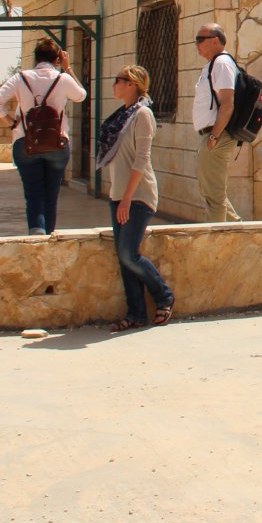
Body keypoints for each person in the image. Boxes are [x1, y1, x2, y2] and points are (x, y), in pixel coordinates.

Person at [97, 64, 173, 332]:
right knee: (123, 257)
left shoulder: (142, 115)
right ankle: (136, 313)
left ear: (132, 84)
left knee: (129, 255)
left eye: (119, 80)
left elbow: (142, 159)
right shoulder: (122, 115)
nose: (114, 84)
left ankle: (164, 296)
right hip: (119, 194)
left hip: (138, 195)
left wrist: (128, 199)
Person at [0, 39, 87, 235]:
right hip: (57, 144)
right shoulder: (63, 79)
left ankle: (37, 231)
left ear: (35, 58)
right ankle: (48, 236)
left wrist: (11, 122)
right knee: (51, 194)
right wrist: (67, 70)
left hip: (26, 143)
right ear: (57, 60)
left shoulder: (20, 78)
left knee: (33, 194)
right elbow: (81, 95)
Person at [193, 23, 242, 222]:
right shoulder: (214, 64)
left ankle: (218, 244)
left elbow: (228, 102)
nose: (196, 44)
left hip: (217, 135)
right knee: (212, 191)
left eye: (200, 39)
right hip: (214, 134)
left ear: (215, 40)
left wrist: (214, 135)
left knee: (213, 195)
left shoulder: (221, 63)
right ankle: (238, 232)